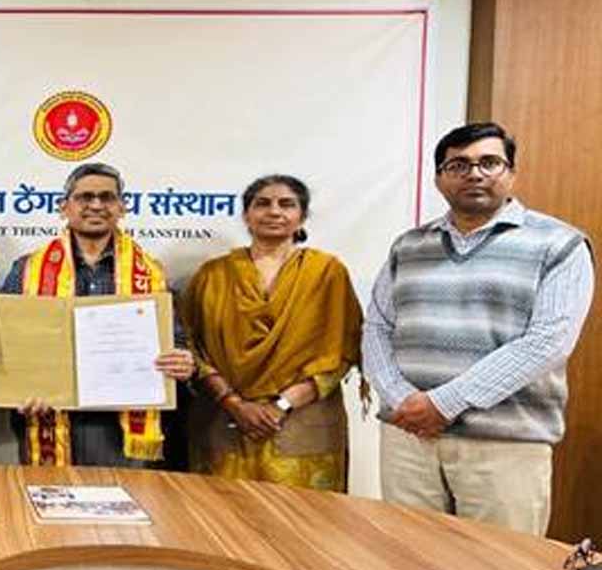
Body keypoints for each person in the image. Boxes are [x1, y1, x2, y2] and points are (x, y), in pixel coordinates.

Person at [362, 122, 593, 535]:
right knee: (408, 559)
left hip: (503, 444)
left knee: (499, 566)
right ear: (439, 179)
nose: (474, 174)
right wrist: (402, 399)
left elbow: (547, 343)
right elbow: (377, 326)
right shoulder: (409, 245)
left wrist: (443, 404)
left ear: (511, 173)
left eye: (489, 163)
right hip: (409, 437)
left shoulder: (559, 244)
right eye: (458, 165)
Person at [1, 162, 195, 467]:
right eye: (84, 197)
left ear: (122, 208)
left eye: (107, 197)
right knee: (51, 496)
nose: (96, 205)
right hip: (47, 414)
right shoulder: (27, 269)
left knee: (123, 496)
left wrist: (182, 361)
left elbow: (175, 340)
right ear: (64, 207)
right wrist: (18, 388)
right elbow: (6, 342)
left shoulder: (150, 272)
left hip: (121, 422)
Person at [181, 175, 362, 489]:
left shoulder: (326, 273)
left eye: (287, 204)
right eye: (262, 204)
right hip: (225, 420)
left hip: (304, 421)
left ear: (302, 217)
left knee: (301, 516)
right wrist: (235, 404)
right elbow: (191, 346)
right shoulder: (213, 275)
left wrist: (281, 405)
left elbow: (342, 350)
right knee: (222, 513)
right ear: (246, 215)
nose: (274, 211)